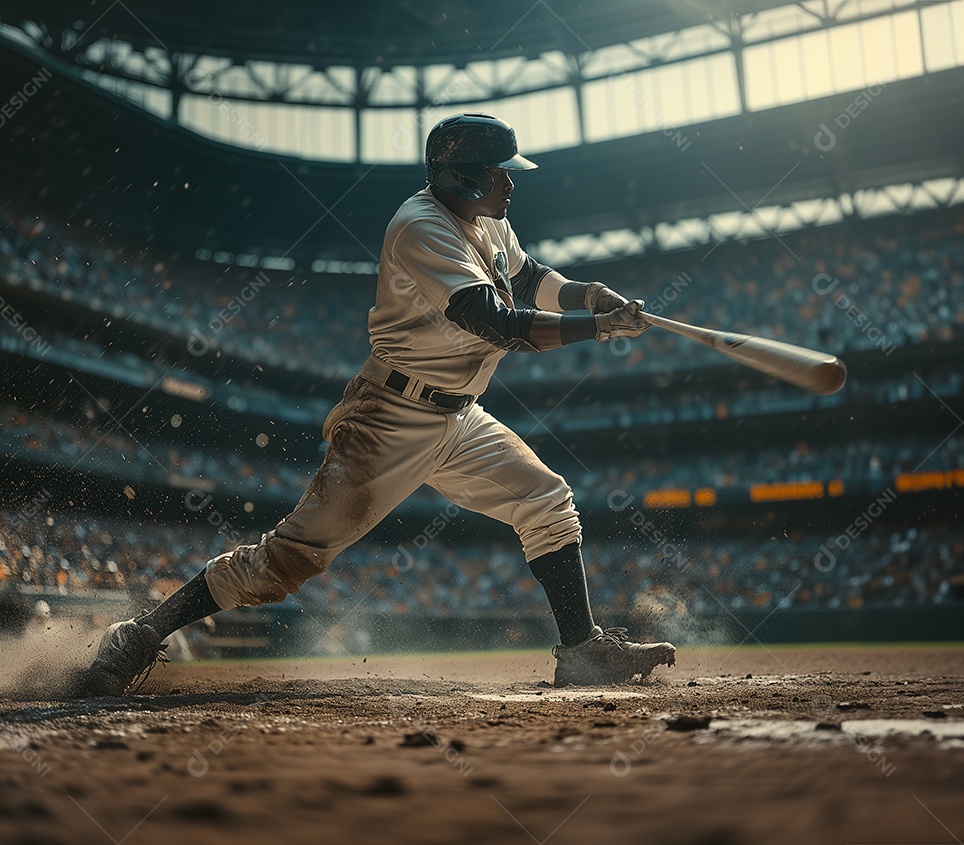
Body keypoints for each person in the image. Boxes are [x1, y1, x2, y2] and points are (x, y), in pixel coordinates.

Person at [80, 113, 676, 696]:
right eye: (500, 172)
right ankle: (142, 632)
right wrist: (594, 328)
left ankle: (580, 651)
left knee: (546, 498)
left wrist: (588, 295)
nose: (512, 182)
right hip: (390, 418)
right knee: (288, 558)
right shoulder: (420, 226)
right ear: (464, 177)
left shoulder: (489, 220)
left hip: (458, 415)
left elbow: (526, 279)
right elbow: (492, 322)